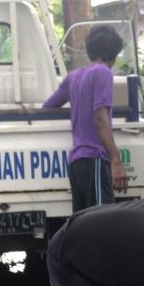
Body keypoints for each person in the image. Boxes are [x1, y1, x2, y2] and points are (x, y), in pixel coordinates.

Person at [43, 23, 129, 211]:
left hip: (77, 163)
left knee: (83, 226)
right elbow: (100, 118)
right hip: (95, 159)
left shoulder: (73, 77)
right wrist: (115, 160)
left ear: (90, 50)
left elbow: (48, 107)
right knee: (102, 224)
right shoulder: (103, 73)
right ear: (114, 52)